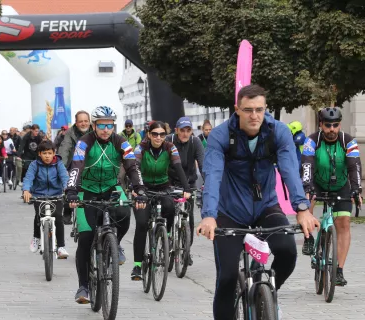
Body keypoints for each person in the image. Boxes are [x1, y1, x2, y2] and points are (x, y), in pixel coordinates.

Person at [197, 84, 319, 320]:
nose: (254, 116)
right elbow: (212, 175)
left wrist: (302, 208)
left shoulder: (278, 132)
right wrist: (209, 215)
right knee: (227, 277)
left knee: (287, 252)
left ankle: (269, 294)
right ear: (237, 109)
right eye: (248, 109)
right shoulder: (222, 136)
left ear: (265, 109)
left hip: (266, 207)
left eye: (259, 109)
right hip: (228, 211)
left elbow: (289, 171)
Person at [65, 106, 147, 304]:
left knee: (125, 213)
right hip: (87, 190)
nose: (105, 129)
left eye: (109, 125)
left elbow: (132, 166)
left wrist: (140, 189)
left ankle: (115, 243)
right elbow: (76, 166)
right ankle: (83, 286)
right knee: (86, 238)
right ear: (94, 125)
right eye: (101, 125)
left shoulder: (121, 142)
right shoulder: (84, 143)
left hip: (111, 188)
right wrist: (72, 191)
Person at [301, 107, 362, 286]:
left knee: (343, 223)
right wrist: (307, 187)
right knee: (307, 200)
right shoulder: (312, 141)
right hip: (317, 183)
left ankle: (339, 271)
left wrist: (356, 189)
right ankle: (308, 238)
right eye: (328, 125)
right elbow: (307, 165)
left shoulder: (348, 141)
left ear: (339, 125)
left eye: (335, 125)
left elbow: (354, 166)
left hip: (341, 185)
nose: (332, 129)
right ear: (321, 125)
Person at [131, 121, 191, 280]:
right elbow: (134, 166)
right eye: (155, 134)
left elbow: (178, 167)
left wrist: (187, 188)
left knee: (170, 207)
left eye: (162, 134)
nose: (158, 137)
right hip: (143, 188)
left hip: (164, 187)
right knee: (142, 223)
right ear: (149, 135)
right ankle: (137, 266)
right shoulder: (141, 148)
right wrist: (136, 187)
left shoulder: (170, 147)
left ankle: (167, 235)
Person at [165, 116, 205, 264]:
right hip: (169, 182)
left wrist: (207, 183)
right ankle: (165, 237)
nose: (185, 134)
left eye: (188, 130)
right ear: (176, 130)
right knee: (168, 210)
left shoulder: (196, 142)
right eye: (182, 130)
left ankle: (186, 250)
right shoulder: (168, 140)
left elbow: (202, 164)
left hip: (189, 184)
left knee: (189, 219)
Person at [23, 140, 70, 258]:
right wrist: (26, 190)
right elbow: (28, 178)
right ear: (39, 154)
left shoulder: (59, 164)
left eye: (49, 153)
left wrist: (67, 189)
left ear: (54, 153)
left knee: (59, 218)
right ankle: (36, 237)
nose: (47, 156)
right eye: (44, 153)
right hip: (39, 195)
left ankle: (61, 246)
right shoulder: (34, 164)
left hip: (57, 195)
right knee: (38, 216)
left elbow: (64, 177)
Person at [57, 111, 93, 224]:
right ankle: (67, 211)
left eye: (86, 121)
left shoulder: (95, 131)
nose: (83, 123)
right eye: (80, 121)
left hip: (91, 164)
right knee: (70, 184)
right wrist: (62, 168)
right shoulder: (70, 133)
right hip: (74, 164)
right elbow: (64, 149)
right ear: (76, 123)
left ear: (90, 122)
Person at [118, 119, 142, 192]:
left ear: (132, 126)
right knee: (120, 177)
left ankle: (136, 192)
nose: (128, 127)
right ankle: (123, 193)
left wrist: (135, 156)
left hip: (133, 160)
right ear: (125, 126)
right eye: (126, 125)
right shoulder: (119, 135)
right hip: (123, 160)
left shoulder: (136, 135)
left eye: (130, 125)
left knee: (136, 177)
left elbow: (139, 146)